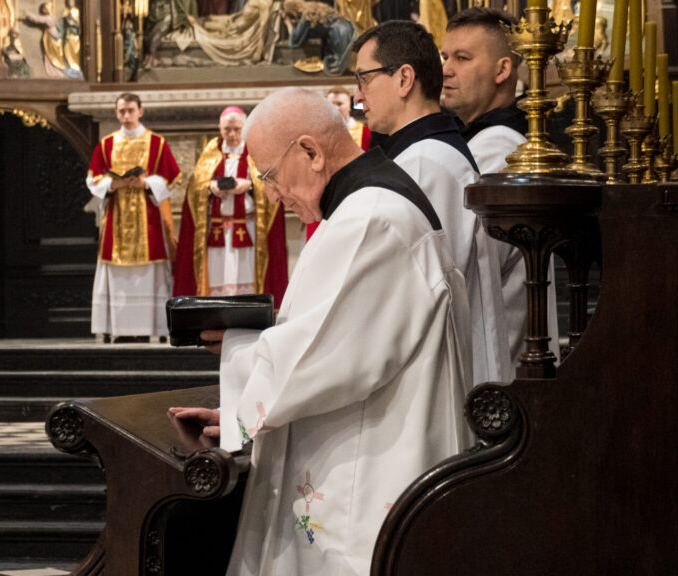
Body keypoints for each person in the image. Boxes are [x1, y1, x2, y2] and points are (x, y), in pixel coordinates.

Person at [170, 87, 472, 576]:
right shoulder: (361, 210)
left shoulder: (372, 218)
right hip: (350, 453)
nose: (270, 195)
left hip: (362, 478)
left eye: (268, 175)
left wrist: (235, 346)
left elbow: (320, 358)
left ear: (310, 152)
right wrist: (238, 410)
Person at [352, 19, 512, 385]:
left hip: (443, 375)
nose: (358, 95)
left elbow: (422, 290)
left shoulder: (427, 164)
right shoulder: (422, 156)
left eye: (364, 78)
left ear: (404, 79)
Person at [441, 6, 560, 366]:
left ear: (502, 70)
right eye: (445, 56)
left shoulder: (498, 151)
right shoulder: (483, 143)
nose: (446, 69)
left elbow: (459, 263)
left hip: (498, 364)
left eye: (462, 58)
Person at [86, 93, 181, 343]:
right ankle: (118, 329)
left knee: (150, 272)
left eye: (130, 110)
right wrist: (111, 184)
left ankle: (155, 329)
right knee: (117, 273)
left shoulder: (157, 143)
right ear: (116, 114)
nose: (125, 116)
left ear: (141, 111)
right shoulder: (106, 144)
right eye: (121, 111)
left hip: (148, 220)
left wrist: (146, 182)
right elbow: (93, 178)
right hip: (116, 220)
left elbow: (171, 177)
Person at [174, 106, 289, 306]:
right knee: (217, 279)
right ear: (220, 128)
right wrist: (209, 188)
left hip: (250, 230)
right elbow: (195, 188)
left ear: (245, 128)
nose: (232, 134)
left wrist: (250, 186)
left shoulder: (256, 151)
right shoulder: (211, 151)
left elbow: (272, 187)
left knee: (247, 280)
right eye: (227, 129)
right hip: (216, 231)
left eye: (237, 129)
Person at [306, 86, 372, 239]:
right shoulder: (315, 136)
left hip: (356, 202)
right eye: (331, 105)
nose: (335, 109)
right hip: (323, 203)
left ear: (349, 104)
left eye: (340, 104)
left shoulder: (365, 134)